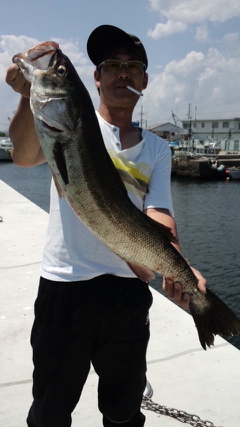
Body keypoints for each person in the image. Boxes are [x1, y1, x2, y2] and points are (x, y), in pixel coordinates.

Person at [6, 25, 207, 427]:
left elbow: (159, 212)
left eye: (133, 67)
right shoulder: (72, 124)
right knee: (49, 410)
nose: (122, 73)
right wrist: (30, 96)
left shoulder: (157, 148)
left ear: (144, 81)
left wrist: (178, 263)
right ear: (95, 79)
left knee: (123, 409)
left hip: (127, 292)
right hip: (65, 284)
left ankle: (207, 311)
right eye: (111, 65)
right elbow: (25, 157)